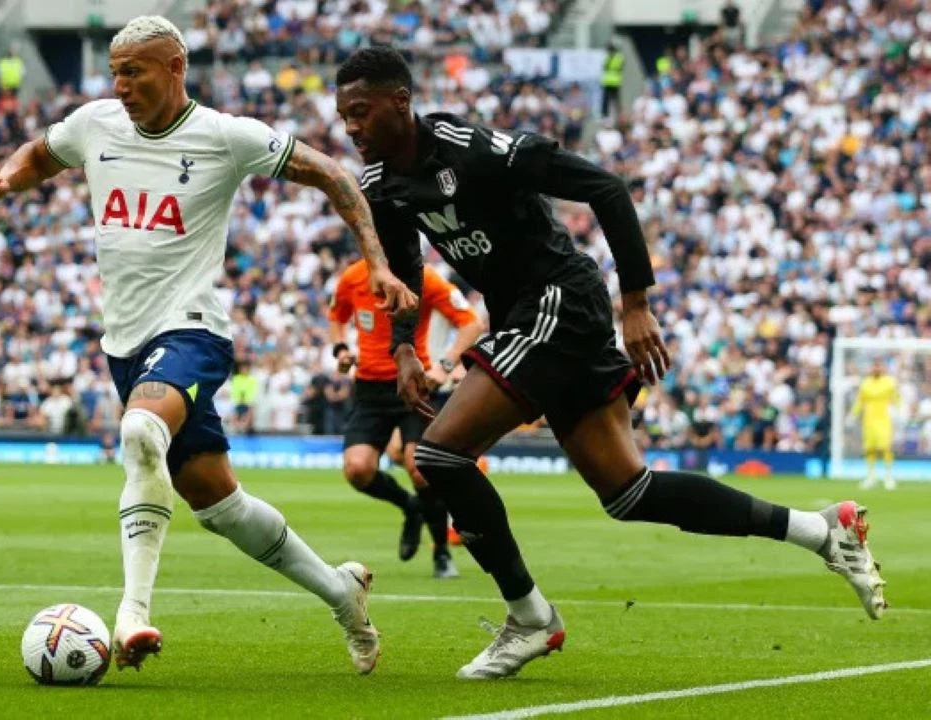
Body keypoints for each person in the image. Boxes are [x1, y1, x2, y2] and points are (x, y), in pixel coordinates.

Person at [332, 46, 888, 680]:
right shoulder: (381, 185)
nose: (351, 128)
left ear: (401, 102)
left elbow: (605, 187)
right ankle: (824, 531)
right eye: (344, 117)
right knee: (628, 491)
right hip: (529, 315)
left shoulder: (477, 149)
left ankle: (531, 619)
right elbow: (404, 268)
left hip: (559, 302)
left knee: (437, 456)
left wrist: (637, 304)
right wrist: (404, 344)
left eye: (361, 113)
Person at [0, 16, 417, 675]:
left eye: (134, 71)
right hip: (125, 341)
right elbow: (40, 153)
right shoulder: (95, 124)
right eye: (115, 72)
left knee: (141, 430)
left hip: (192, 329)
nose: (120, 85)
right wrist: (4, 179)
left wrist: (375, 260)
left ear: (174, 67)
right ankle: (342, 592)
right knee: (220, 505)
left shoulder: (225, 137)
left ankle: (133, 615)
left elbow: (334, 177)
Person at [329, 259, 482, 577]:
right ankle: (410, 508)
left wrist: (445, 365)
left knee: (419, 468)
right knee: (357, 469)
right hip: (369, 389)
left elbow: (470, 323)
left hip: (413, 385)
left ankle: (441, 552)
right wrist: (341, 349)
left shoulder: (425, 278)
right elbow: (336, 315)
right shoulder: (353, 277)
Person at [851, 359, 899, 490]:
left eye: (879, 366)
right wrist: (853, 415)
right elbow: (860, 401)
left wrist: (899, 411)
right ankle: (871, 476)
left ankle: (888, 476)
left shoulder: (889, 382)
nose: (876, 369)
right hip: (868, 420)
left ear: (883, 368)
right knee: (869, 448)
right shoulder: (866, 383)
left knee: (885, 447)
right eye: (874, 366)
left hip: (884, 419)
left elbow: (896, 399)